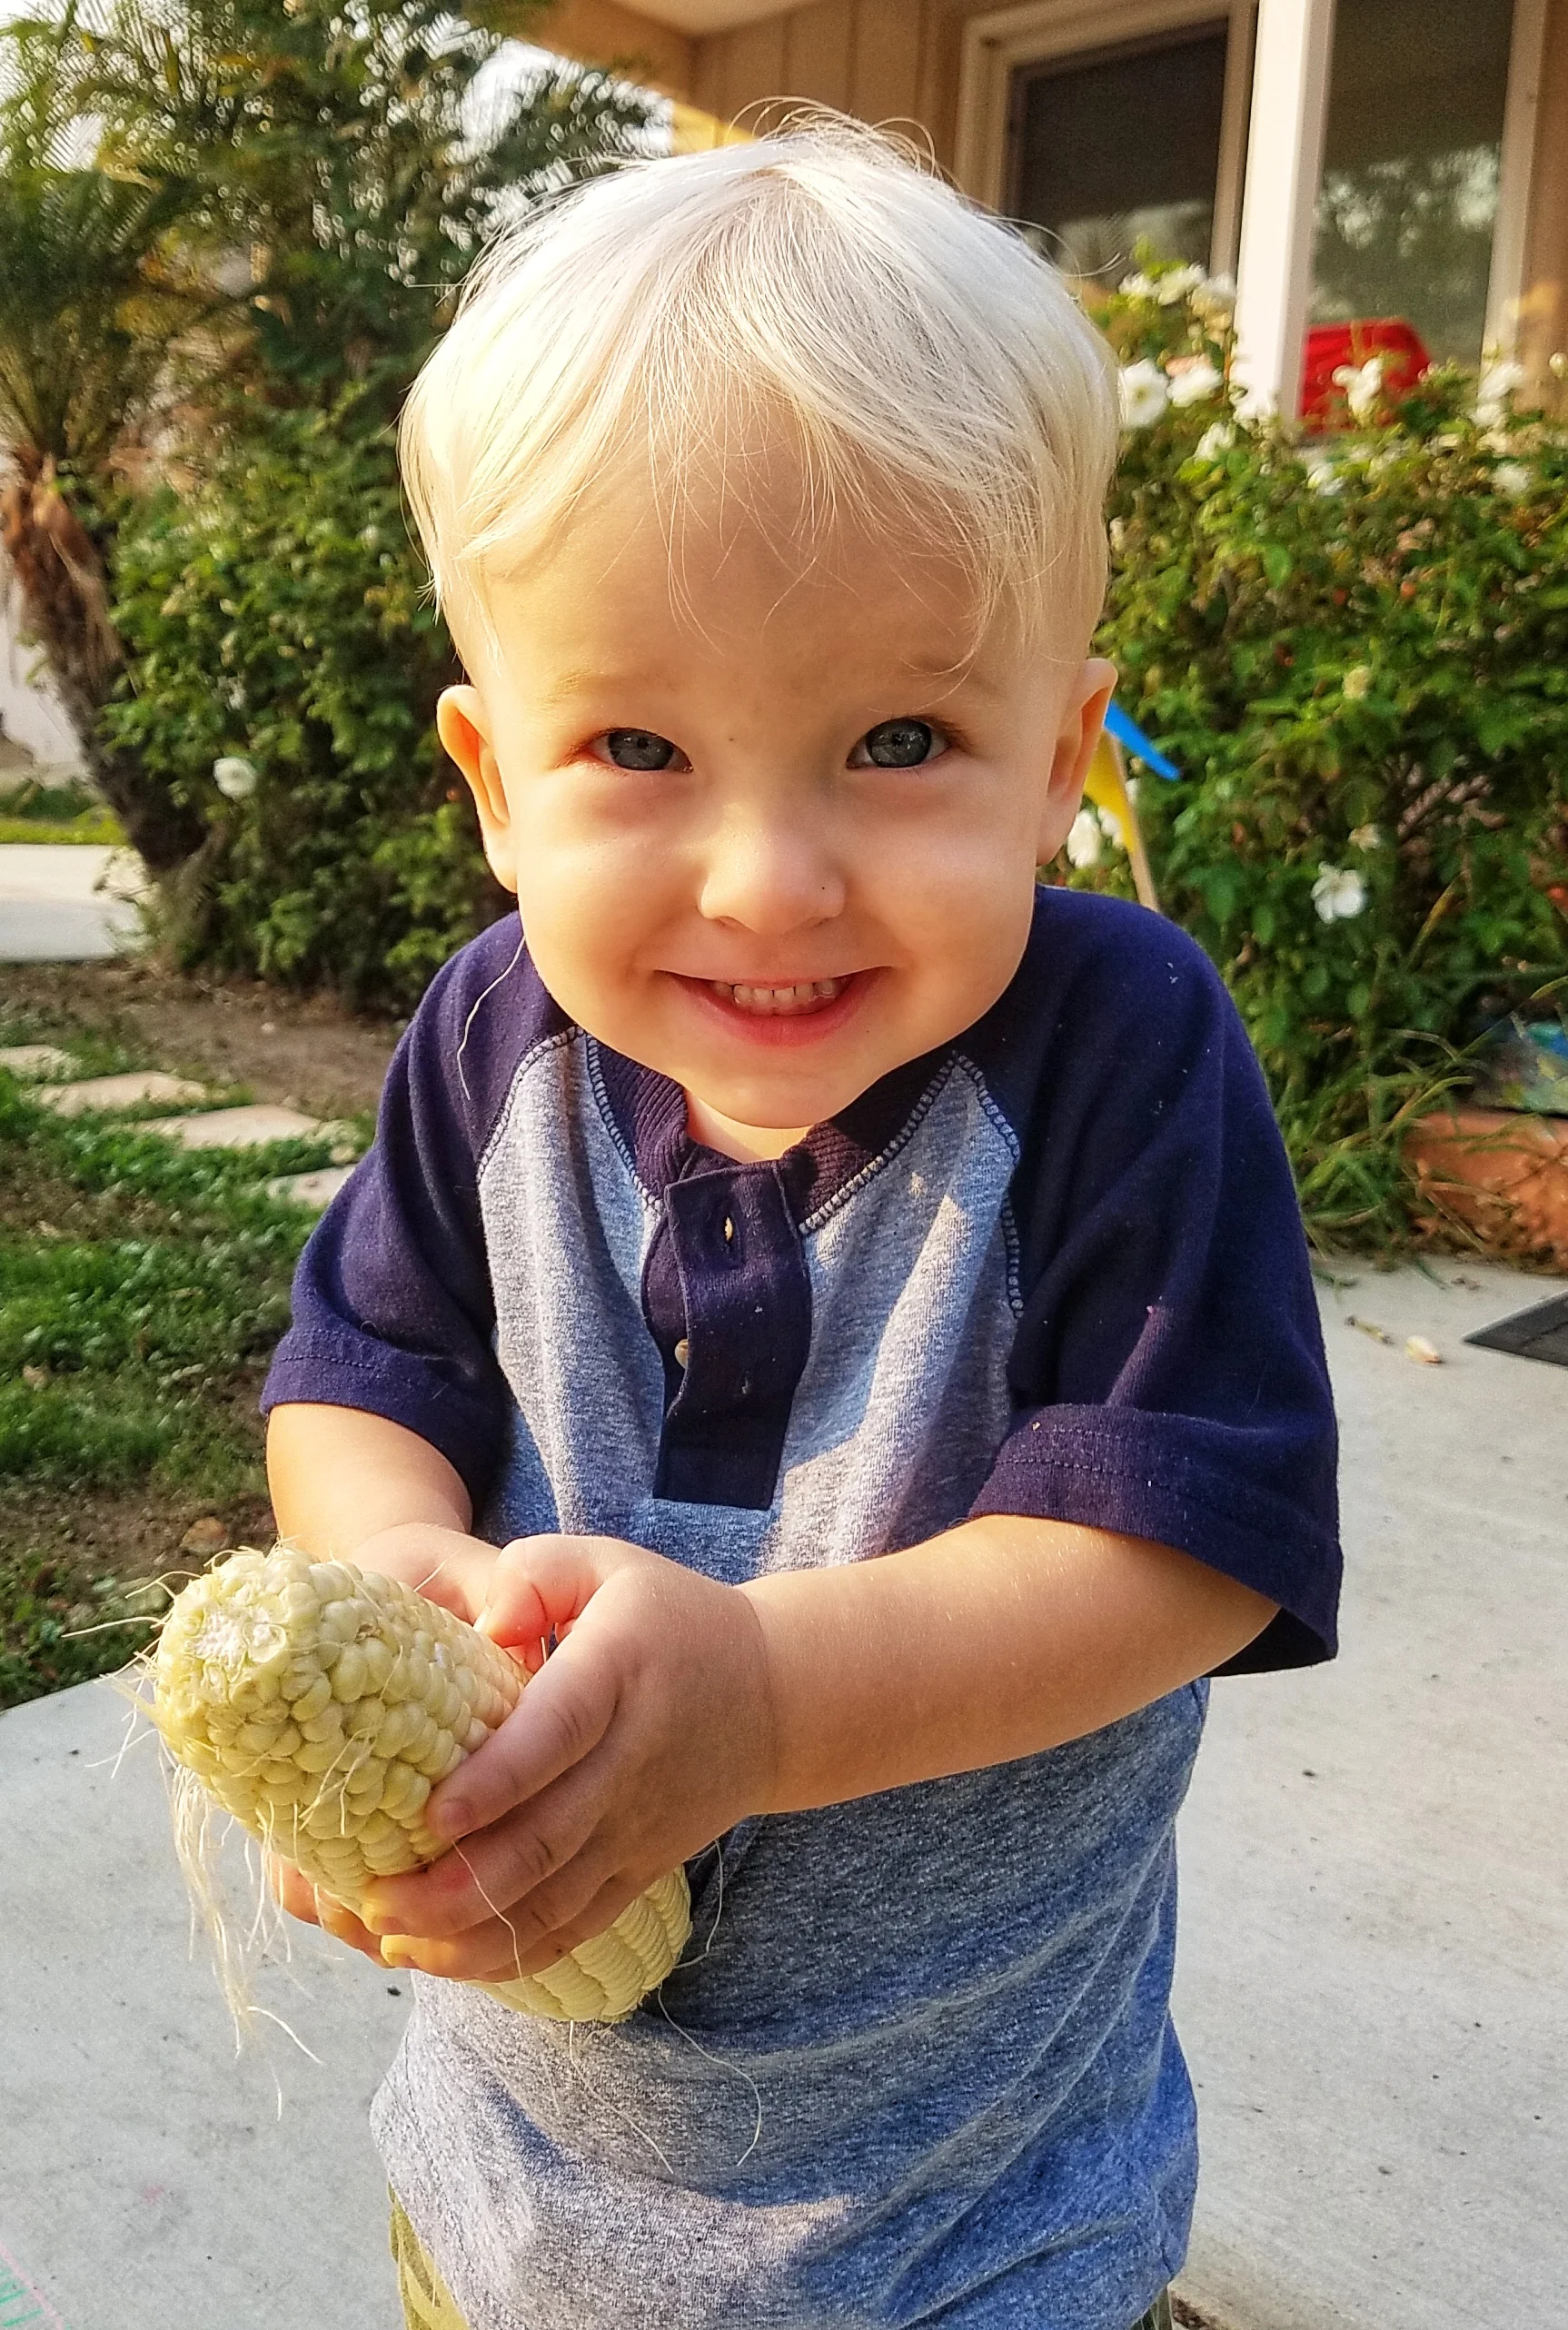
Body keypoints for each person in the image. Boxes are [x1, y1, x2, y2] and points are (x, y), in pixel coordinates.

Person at [260, 120, 1340, 2330]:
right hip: (511, 2183)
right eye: (638, 743)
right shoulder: (491, 1042)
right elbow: (363, 1386)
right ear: (491, 782)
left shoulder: (1114, 1047)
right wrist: (389, 1578)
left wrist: (761, 1696)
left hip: (970, 2228)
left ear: (1056, 756)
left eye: (899, 736)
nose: (764, 877)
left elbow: (1179, 1547)